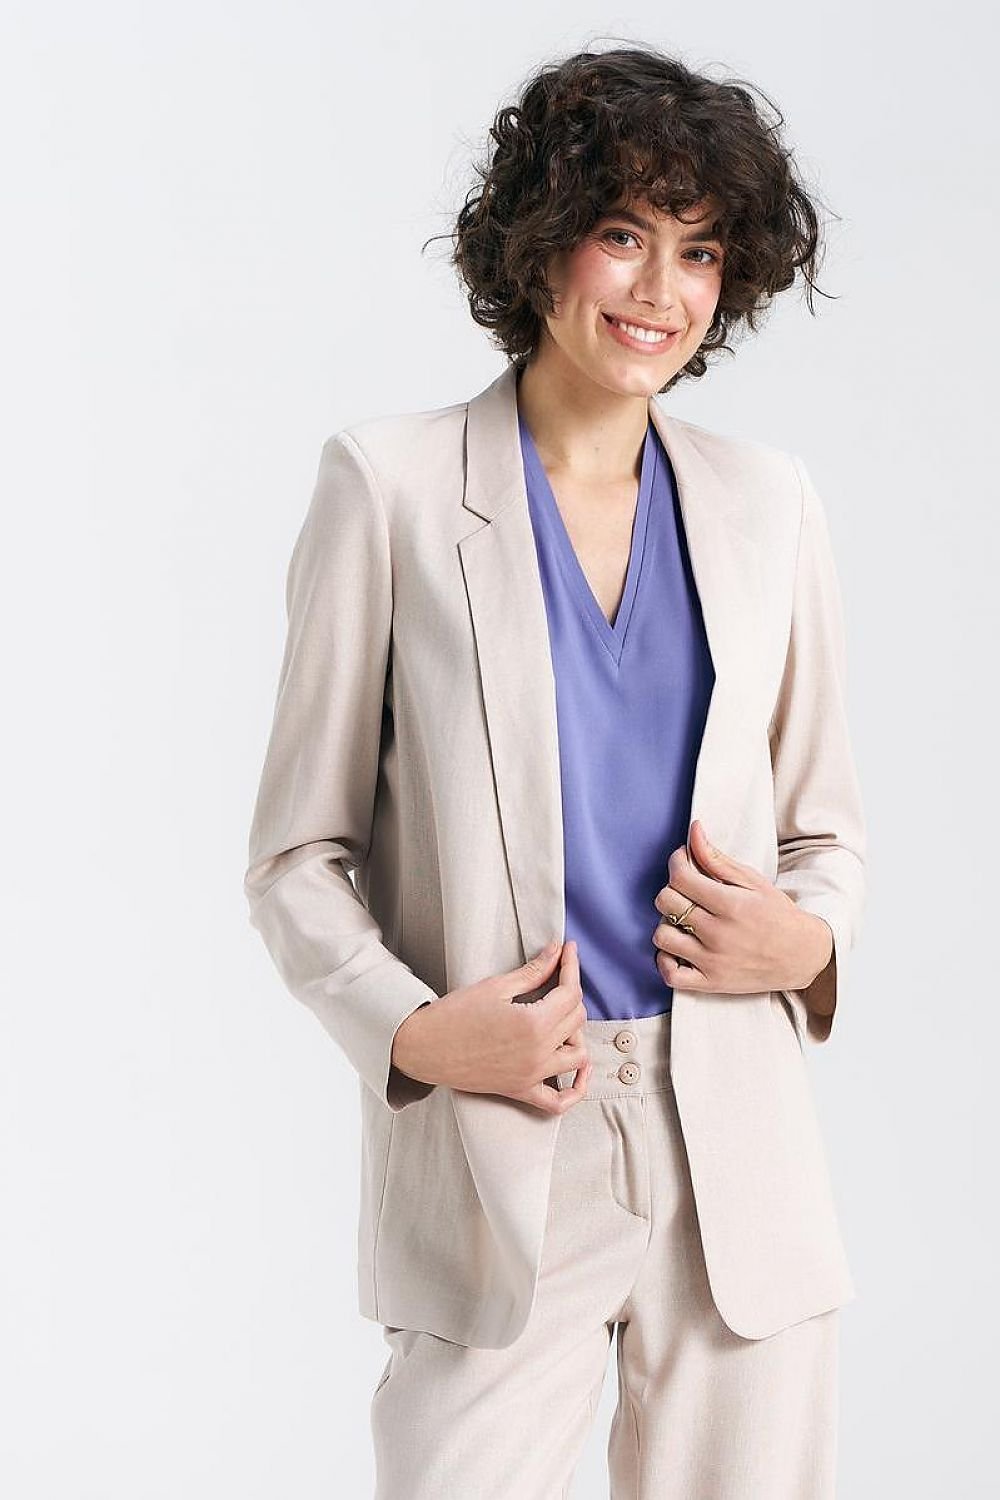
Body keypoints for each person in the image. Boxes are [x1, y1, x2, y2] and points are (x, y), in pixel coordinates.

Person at [243, 42, 867, 1499]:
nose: (662, 290)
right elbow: (294, 858)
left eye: (700, 250)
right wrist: (414, 1033)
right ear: (541, 242)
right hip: (503, 1135)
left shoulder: (769, 505)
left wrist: (811, 943)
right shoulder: (390, 487)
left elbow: (826, 825)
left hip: (739, 1152)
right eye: (624, 234)